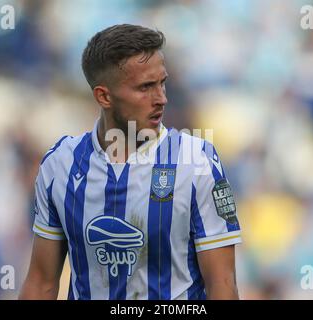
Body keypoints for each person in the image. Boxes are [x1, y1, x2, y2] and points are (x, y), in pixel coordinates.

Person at [19, 24, 242, 300]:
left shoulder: (198, 161)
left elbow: (222, 283)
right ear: (104, 96)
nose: (161, 98)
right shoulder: (59, 165)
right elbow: (41, 283)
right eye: (145, 87)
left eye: (162, 83)